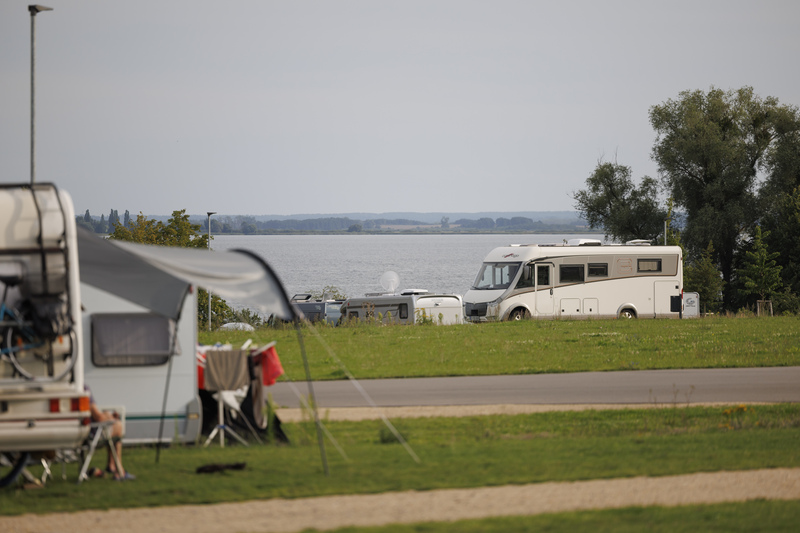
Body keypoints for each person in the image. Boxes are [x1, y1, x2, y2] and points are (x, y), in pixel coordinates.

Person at [86, 387, 135, 481]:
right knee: (118, 425)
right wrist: (111, 418)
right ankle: (119, 471)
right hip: (91, 434)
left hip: (75, 433)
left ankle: (111, 466)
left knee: (110, 423)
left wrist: (108, 415)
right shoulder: (84, 389)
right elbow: (99, 418)